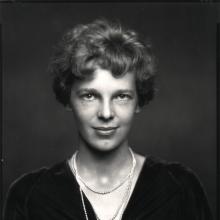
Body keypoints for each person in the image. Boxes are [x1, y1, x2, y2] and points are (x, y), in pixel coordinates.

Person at [3, 19, 213, 220]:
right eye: (90, 95)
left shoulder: (180, 188)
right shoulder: (30, 196)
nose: (105, 113)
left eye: (121, 96)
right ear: (68, 99)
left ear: (138, 101)